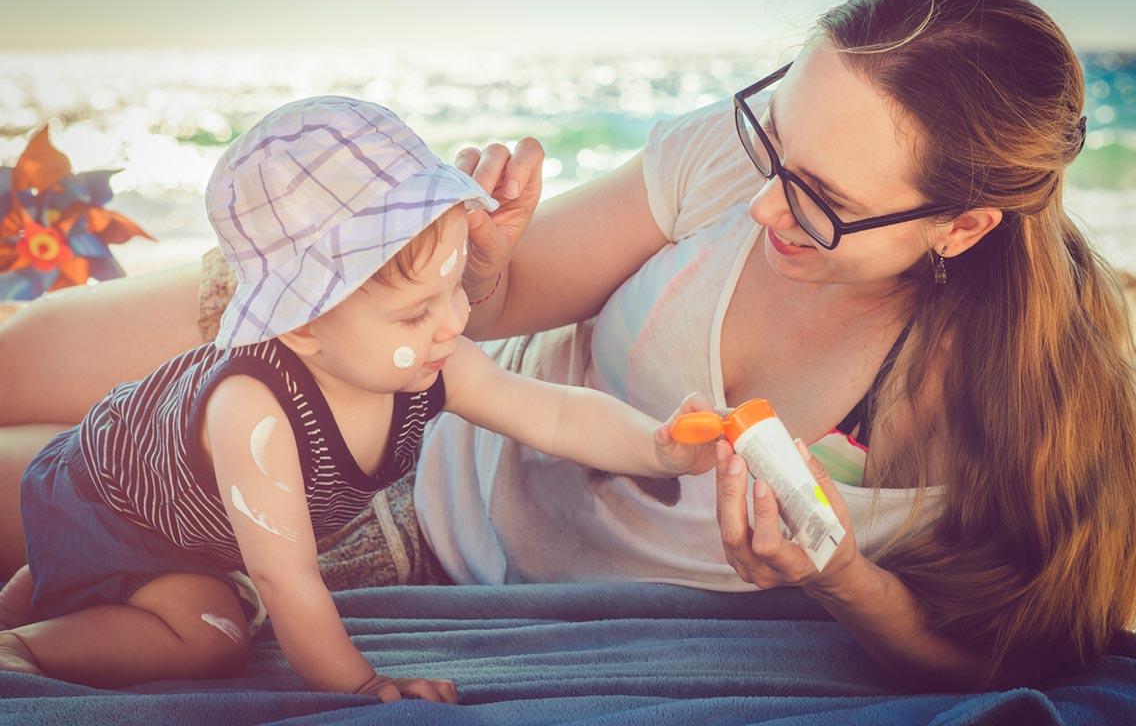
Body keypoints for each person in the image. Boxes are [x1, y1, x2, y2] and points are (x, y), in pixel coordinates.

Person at [0, 0, 1136, 689]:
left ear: (960, 228)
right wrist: (490, 264)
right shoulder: (746, 157)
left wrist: (849, 581)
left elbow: (1029, 641)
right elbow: (502, 310)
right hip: (392, 344)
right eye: (774, 144)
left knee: (30, 493)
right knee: (16, 359)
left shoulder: (1022, 397)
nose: (763, 202)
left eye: (822, 203)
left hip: (392, 518)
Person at [0, 97, 718, 701]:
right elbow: (287, 581)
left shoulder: (428, 361)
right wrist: (362, 688)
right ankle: (27, 649)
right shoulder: (256, 412)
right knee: (210, 637)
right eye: (415, 312)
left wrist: (656, 445)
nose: (454, 322)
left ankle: (37, 596)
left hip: (180, 523)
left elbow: (551, 412)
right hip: (108, 511)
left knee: (194, 605)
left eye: (453, 287)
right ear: (304, 324)